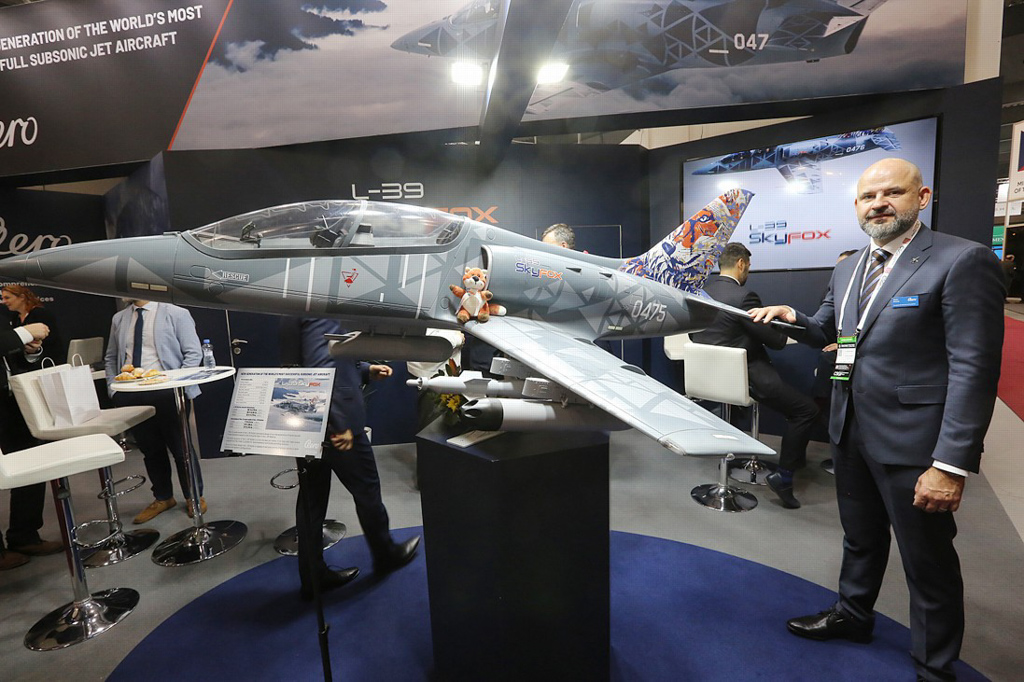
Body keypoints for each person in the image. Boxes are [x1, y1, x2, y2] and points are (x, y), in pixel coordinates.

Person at [749, 158, 1004, 682]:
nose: (879, 204)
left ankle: (934, 667)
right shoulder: (850, 267)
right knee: (860, 538)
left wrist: (950, 464)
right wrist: (792, 318)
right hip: (850, 430)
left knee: (927, 562)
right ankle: (853, 615)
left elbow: (974, 369)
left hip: (915, 444)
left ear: (922, 197)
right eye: (868, 197)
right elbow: (829, 331)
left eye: (893, 193)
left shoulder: (961, 260)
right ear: (857, 206)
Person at [282, 317, 421, 601]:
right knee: (367, 490)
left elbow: (323, 359)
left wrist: (366, 369)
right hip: (335, 423)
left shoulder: (300, 309)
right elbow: (322, 368)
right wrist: (339, 423)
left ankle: (313, 576)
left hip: (305, 416)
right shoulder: (322, 310)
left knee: (311, 500)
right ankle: (386, 555)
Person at [691, 243, 819, 509]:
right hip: (745, 379)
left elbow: (696, 334)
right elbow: (776, 341)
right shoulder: (744, 297)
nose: (748, 271)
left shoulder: (701, 293)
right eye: (748, 266)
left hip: (710, 378)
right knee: (806, 411)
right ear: (741, 264)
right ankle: (784, 476)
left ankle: (780, 461)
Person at [104, 299, 204, 524]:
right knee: (150, 449)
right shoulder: (119, 318)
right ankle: (163, 497)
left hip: (168, 391)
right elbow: (111, 357)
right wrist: (113, 389)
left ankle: (194, 496)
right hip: (133, 394)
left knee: (181, 448)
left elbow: (193, 353)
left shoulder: (177, 313)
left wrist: (180, 386)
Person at [0, 319, 59, 570]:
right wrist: (22, 333)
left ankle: (25, 536)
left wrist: (27, 350)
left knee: (31, 464)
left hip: (9, 400)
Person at [813, 249, 859, 476]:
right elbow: (820, 325)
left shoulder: (867, 291)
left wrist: (844, 346)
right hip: (834, 359)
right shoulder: (831, 293)